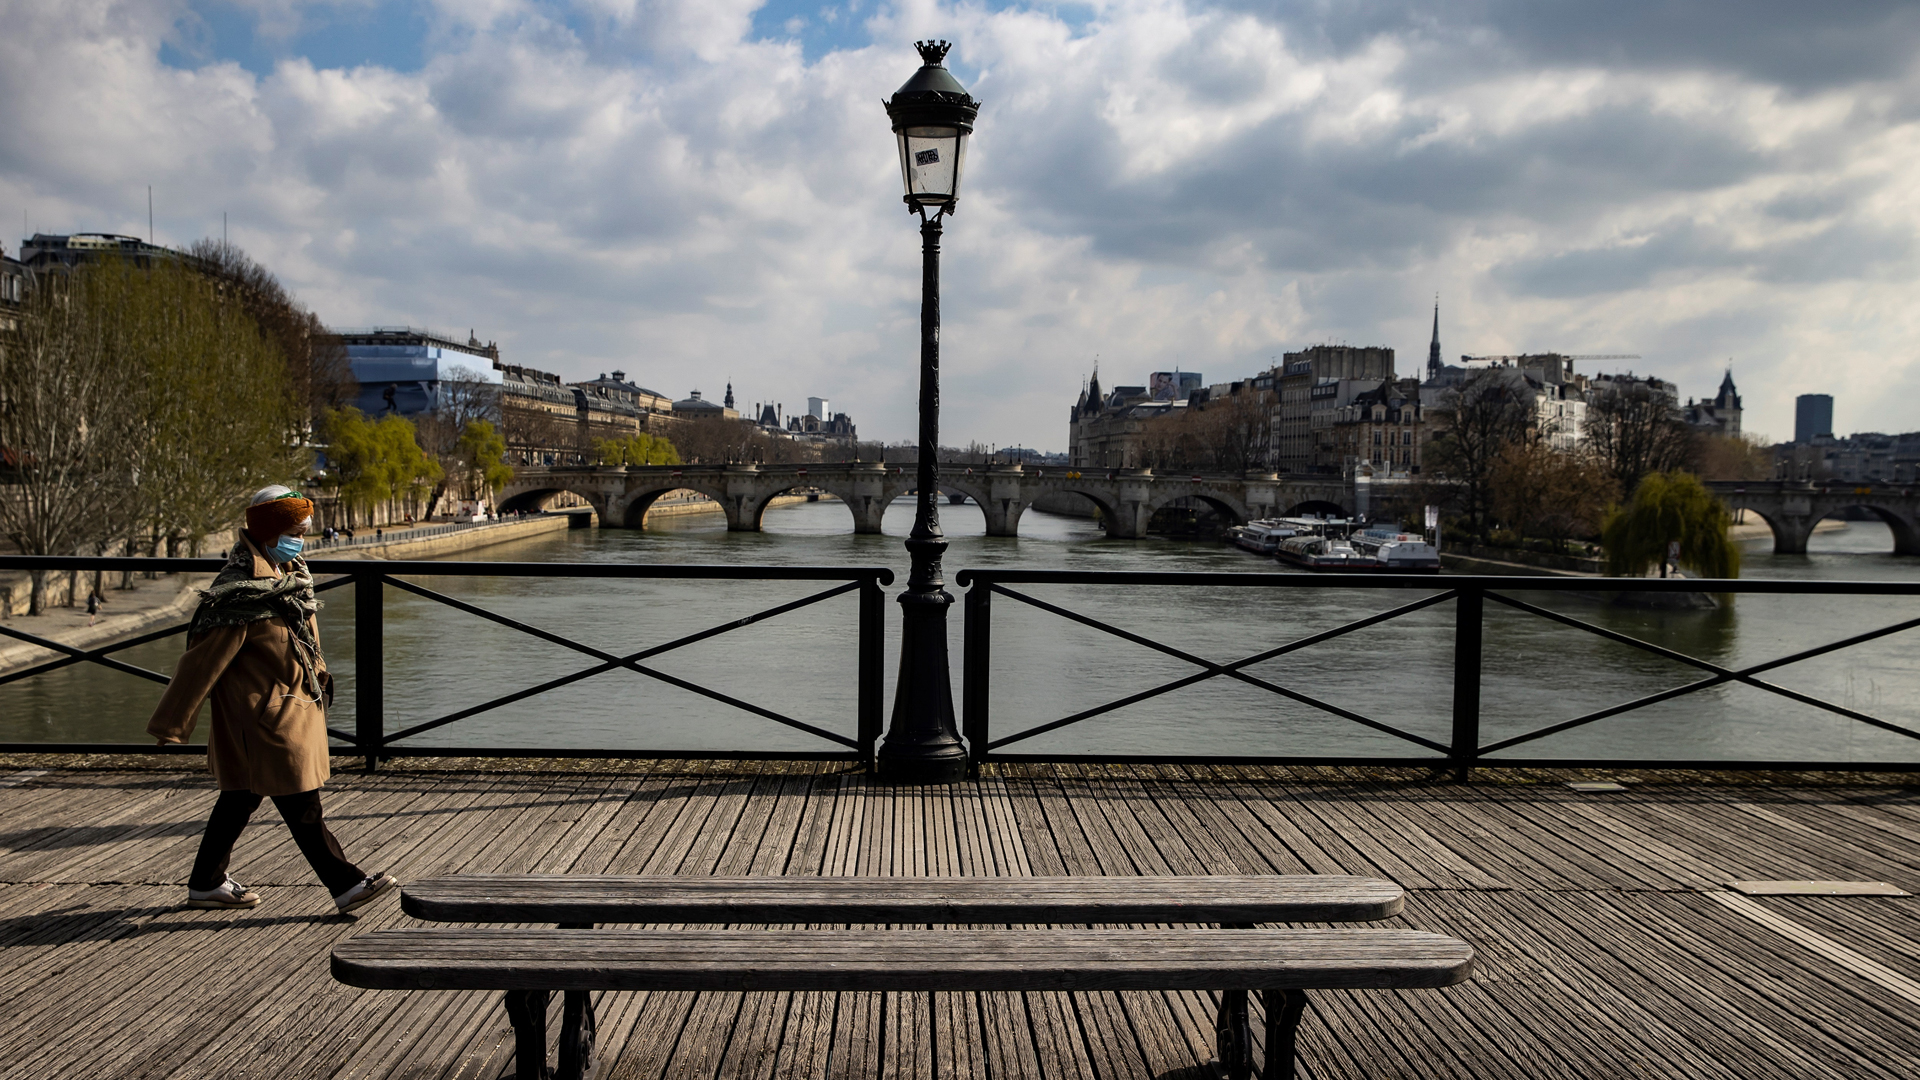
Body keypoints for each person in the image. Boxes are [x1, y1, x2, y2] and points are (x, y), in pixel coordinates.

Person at [148, 485, 397, 914]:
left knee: (240, 797)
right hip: (262, 718)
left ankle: (206, 883)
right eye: (297, 530)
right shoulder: (240, 593)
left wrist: (319, 673)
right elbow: (200, 663)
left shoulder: (290, 574)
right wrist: (172, 725)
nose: (303, 539)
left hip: (289, 707)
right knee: (301, 802)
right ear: (269, 531)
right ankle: (346, 884)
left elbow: (304, 639)